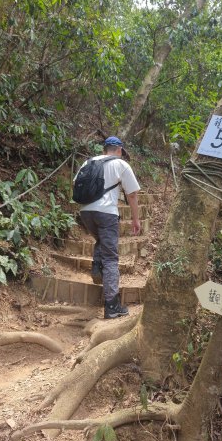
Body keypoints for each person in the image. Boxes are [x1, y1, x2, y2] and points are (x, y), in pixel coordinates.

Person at [77, 136, 141, 319]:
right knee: (111, 258)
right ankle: (112, 305)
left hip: (86, 212)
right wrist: (135, 220)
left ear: (105, 149)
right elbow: (133, 195)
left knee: (101, 240)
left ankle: (97, 266)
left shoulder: (88, 162)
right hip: (107, 213)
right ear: (119, 150)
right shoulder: (121, 164)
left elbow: (76, 184)